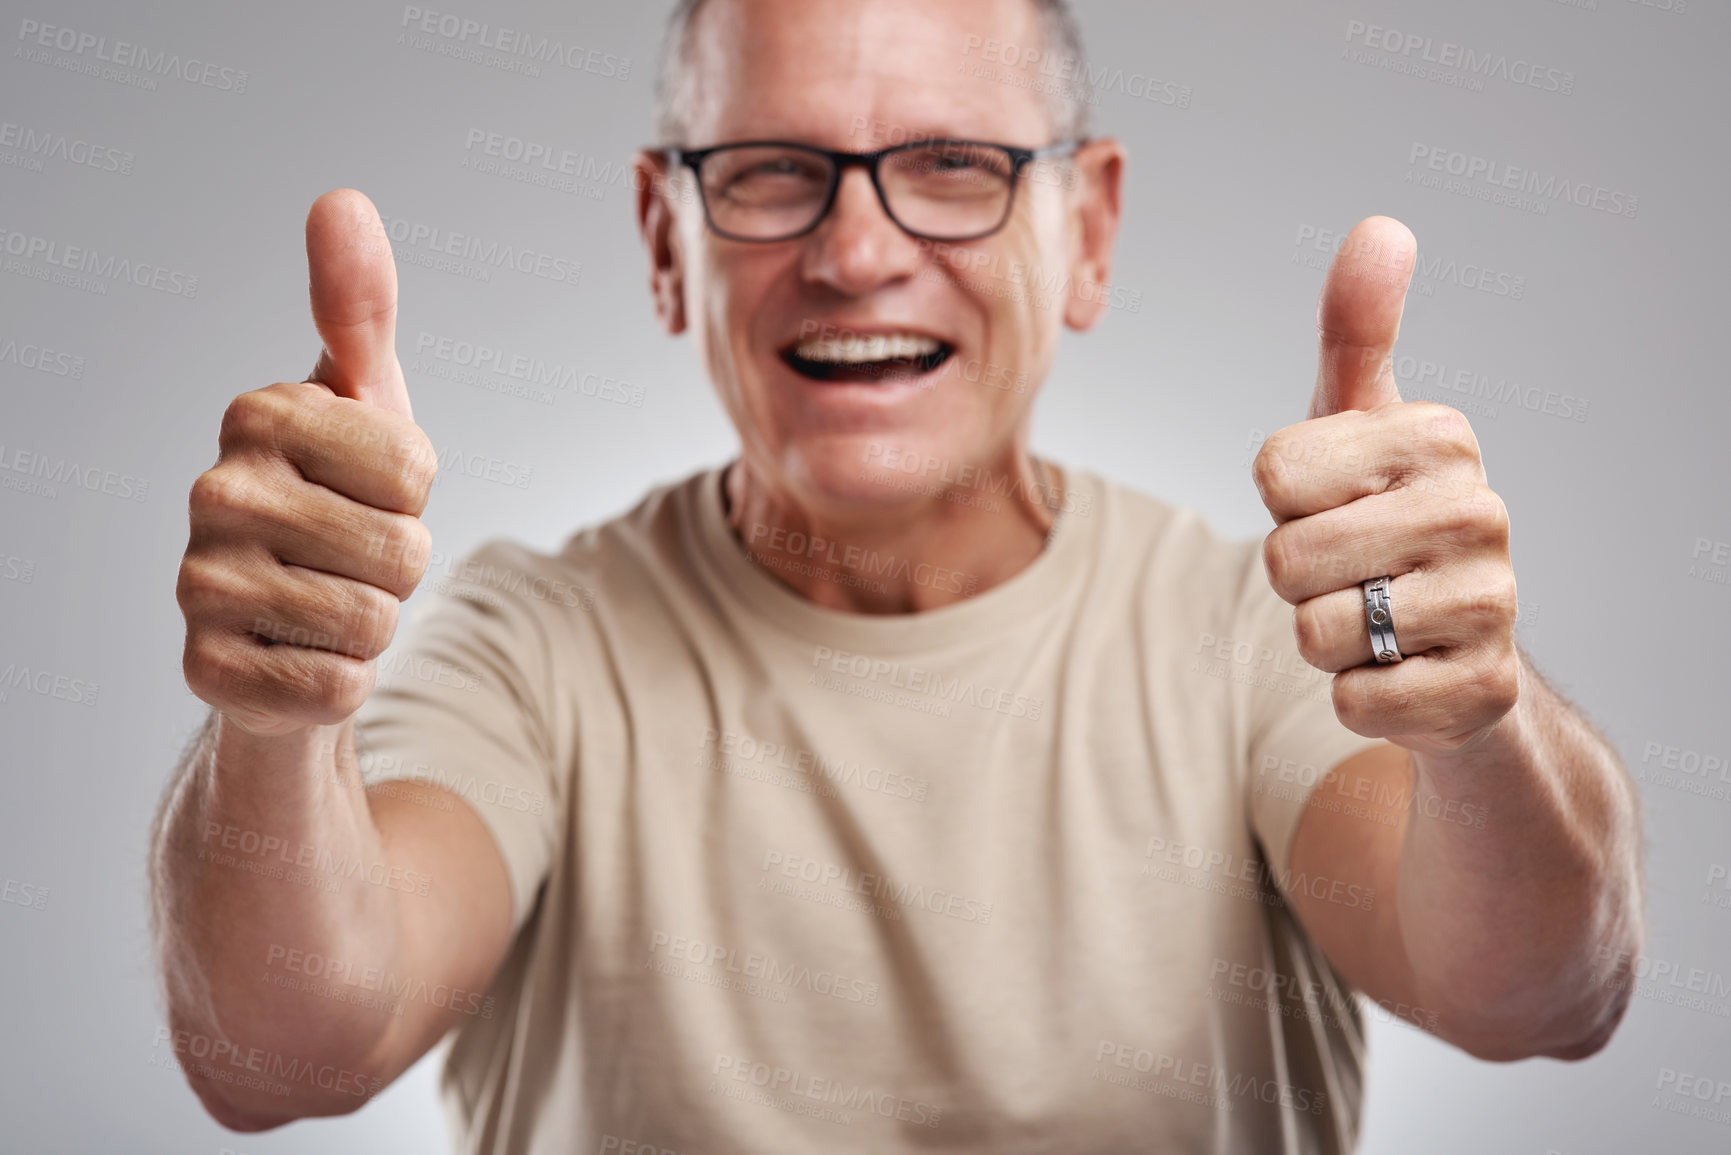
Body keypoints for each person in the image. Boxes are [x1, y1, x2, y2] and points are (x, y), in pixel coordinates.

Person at [148, 0, 1645, 1150]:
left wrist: (1475, 724)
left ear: (1090, 230)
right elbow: (280, 1049)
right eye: (772, 171)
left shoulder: (1260, 639)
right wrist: (279, 725)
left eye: (952, 166)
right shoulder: (535, 648)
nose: (856, 250)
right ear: (666, 239)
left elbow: (1540, 996)